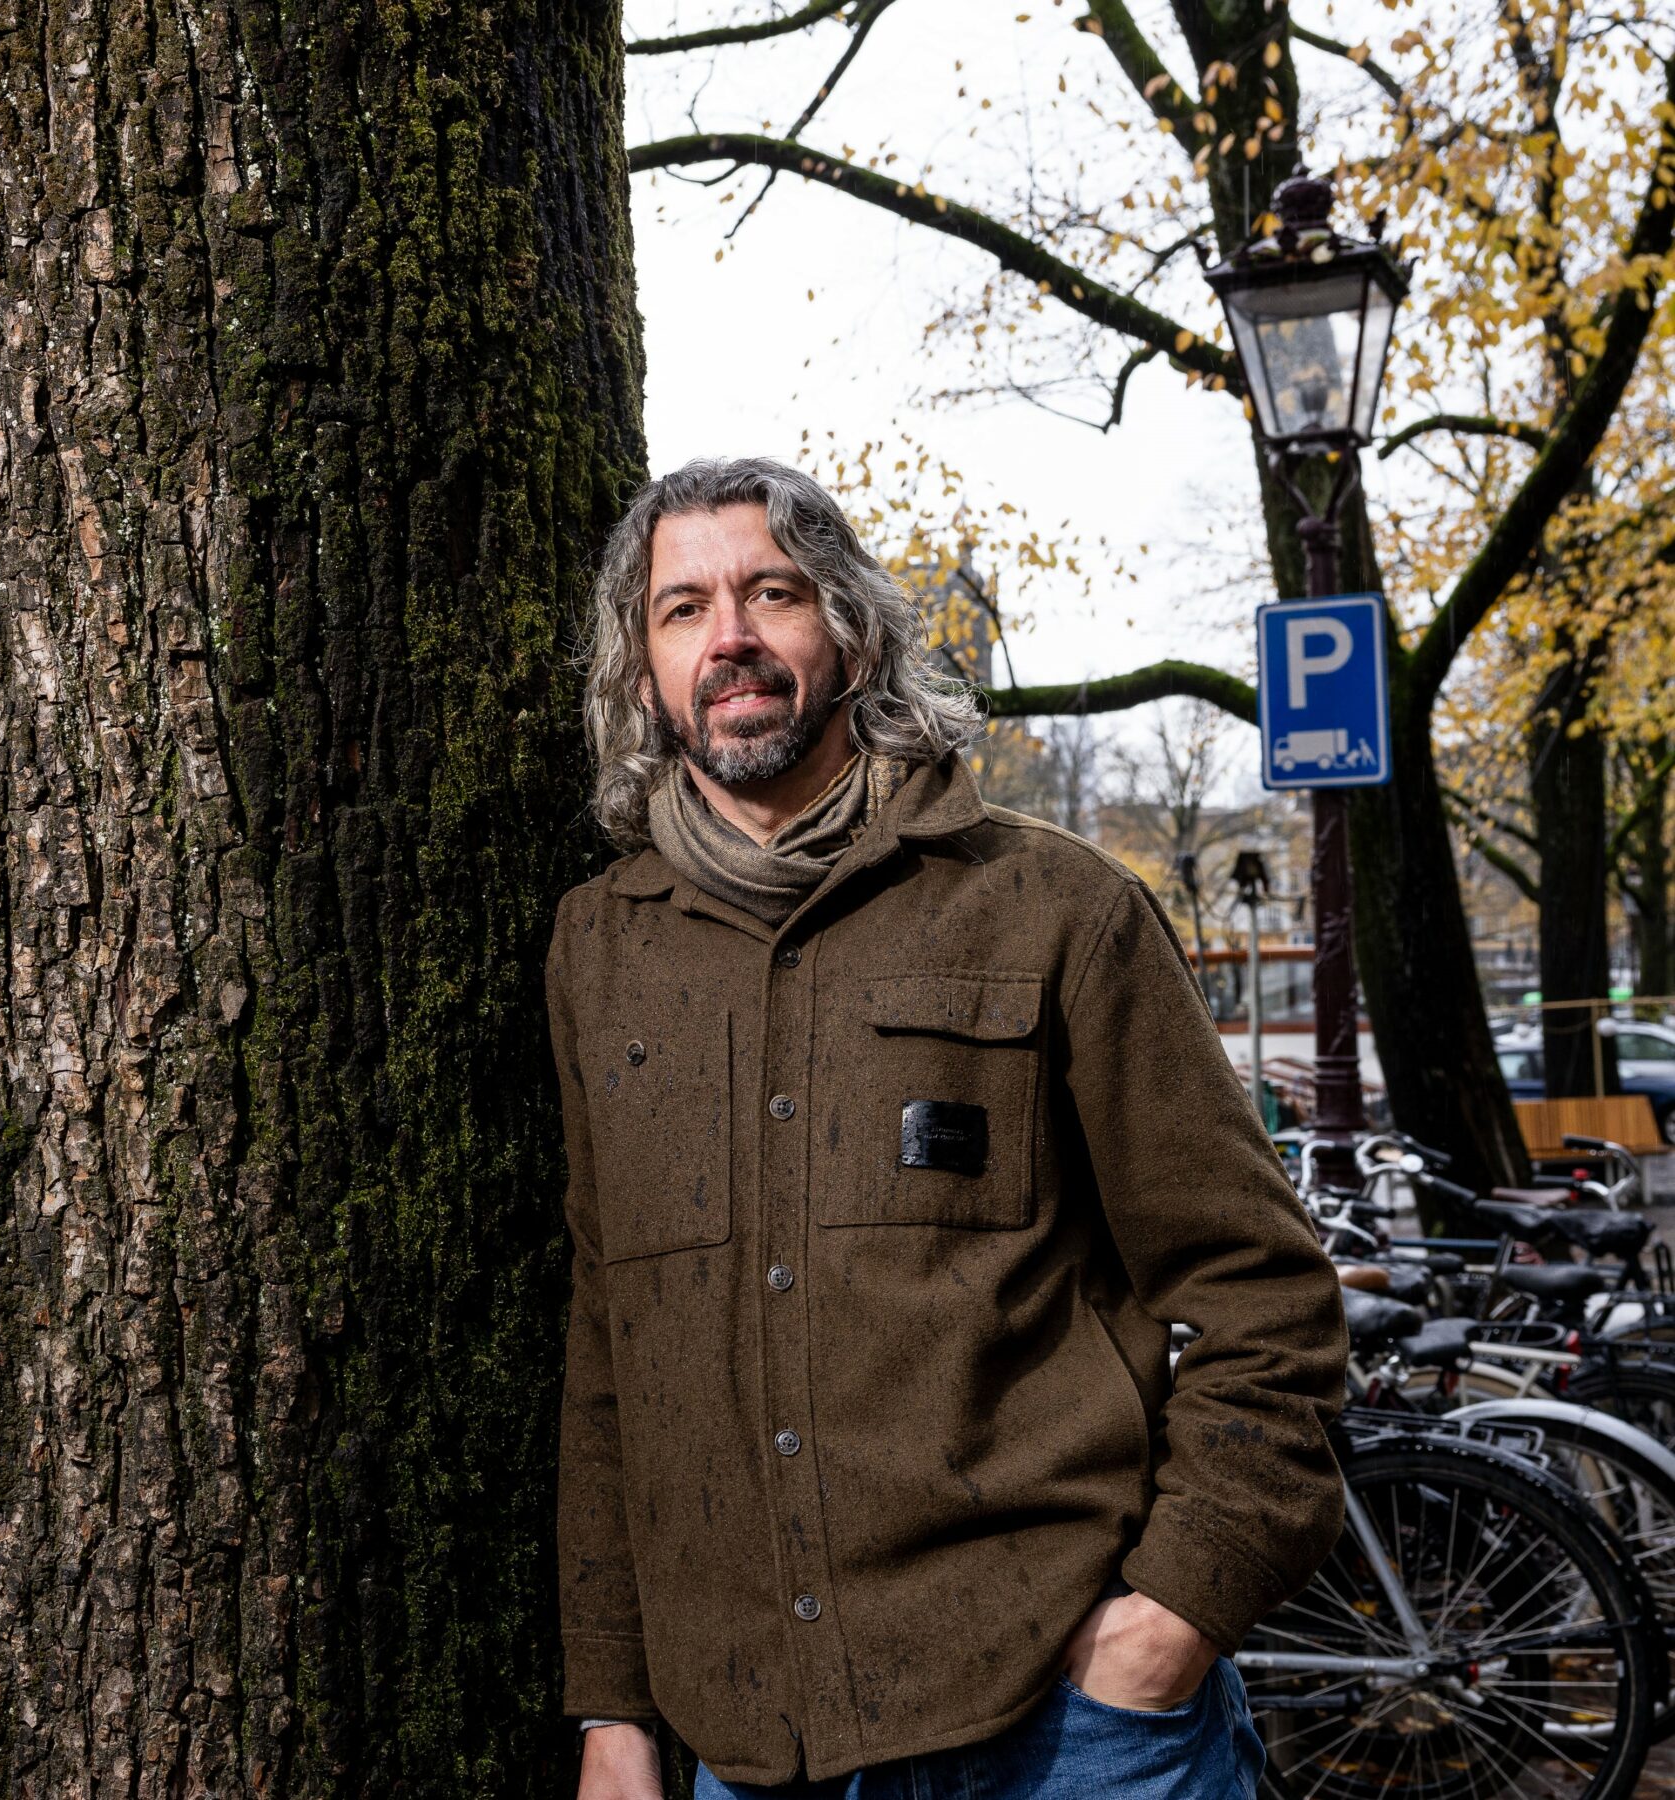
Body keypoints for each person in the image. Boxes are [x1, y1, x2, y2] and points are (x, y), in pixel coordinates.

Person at [546, 457, 1349, 1799]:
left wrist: (1174, 1619)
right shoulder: (600, 953)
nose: (730, 636)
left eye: (772, 593)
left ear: (850, 631)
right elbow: (607, 1354)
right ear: (642, 673)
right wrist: (613, 1708)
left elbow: (1263, 1298)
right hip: (746, 1746)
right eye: (682, 610)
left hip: (1064, 1727)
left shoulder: (1054, 907)